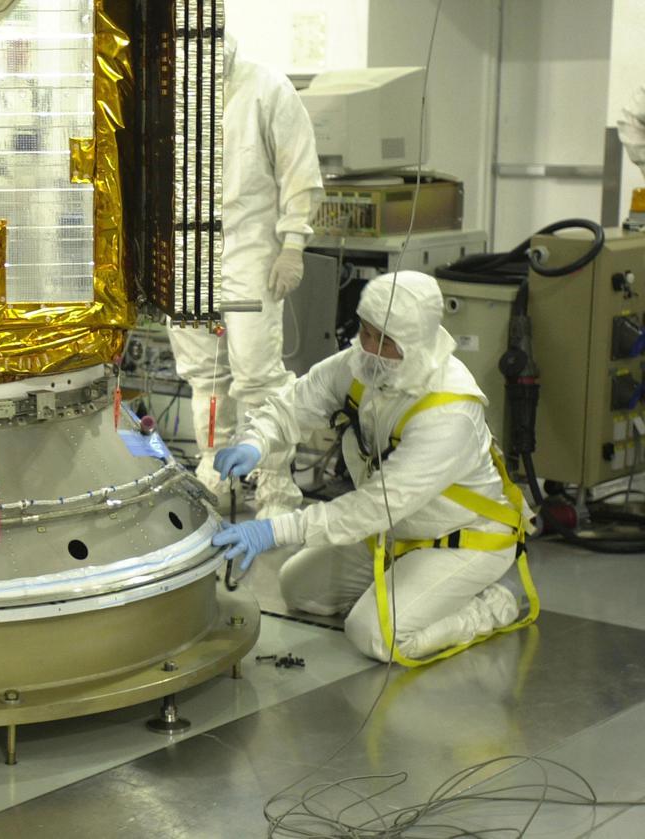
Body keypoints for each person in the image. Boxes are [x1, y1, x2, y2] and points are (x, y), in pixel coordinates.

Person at [210, 272, 536, 664]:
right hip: (395, 531)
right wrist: (255, 441)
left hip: (464, 537)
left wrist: (274, 530)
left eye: (384, 340)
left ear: (416, 343)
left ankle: (489, 606)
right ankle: (412, 591)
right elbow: (295, 402)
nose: (367, 347)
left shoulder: (449, 412)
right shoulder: (364, 366)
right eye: (366, 331)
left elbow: (375, 505)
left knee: (375, 635)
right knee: (298, 589)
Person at [167, 35, 323, 514]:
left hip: (248, 250)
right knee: (204, 377)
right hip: (188, 252)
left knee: (257, 376)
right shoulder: (170, 94)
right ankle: (215, 468)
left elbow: (299, 173)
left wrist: (292, 245)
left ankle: (275, 485)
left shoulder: (265, 87)